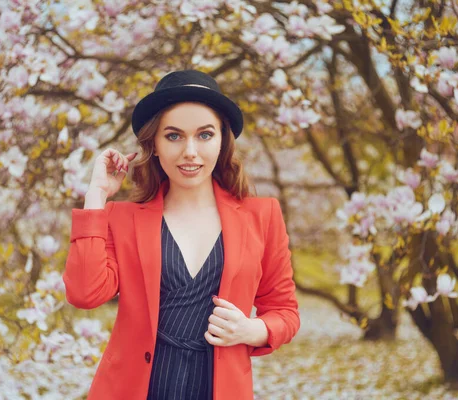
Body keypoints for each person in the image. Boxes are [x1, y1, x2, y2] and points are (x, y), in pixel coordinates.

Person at [63, 69, 300, 400]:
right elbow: (84, 294)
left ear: (222, 142)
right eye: (174, 136)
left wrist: (253, 330)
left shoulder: (262, 216)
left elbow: (285, 311)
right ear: (155, 145)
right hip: (138, 389)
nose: (190, 151)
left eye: (204, 135)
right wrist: (97, 196)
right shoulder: (122, 218)